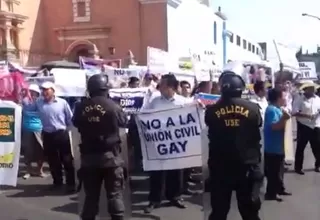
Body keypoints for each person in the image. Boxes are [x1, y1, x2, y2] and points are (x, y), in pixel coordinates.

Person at [205, 71, 263, 220]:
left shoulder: (211, 111)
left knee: (219, 211)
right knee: (250, 212)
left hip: (221, 168)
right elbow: (258, 125)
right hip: (247, 167)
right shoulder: (253, 108)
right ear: (240, 88)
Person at [73, 74, 127, 220]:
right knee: (115, 195)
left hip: (89, 159)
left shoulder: (80, 106)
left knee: (91, 198)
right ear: (105, 89)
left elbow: (76, 123)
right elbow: (124, 122)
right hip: (111, 159)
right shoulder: (113, 106)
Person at [143, 74, 191, 213]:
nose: (160, 87)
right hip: (159, 143)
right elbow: (145, 115)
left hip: (176, 144)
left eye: (163, 85)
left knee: (176, 171)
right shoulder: (154, 100)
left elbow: (192, 116)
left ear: (170, 87)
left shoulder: (183, 102)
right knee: (157, 172)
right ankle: (154, 200)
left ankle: (175, 196)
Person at [35, 81, 76, 193]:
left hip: (61, 134)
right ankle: (57, 182)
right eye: (43, 90)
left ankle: (71, 183)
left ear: (53, 91)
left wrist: (69, 132)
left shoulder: (62, 103)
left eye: (47, 89)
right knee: (52, 160)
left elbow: (70, 119)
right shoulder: (38, 103)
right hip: (47, 134)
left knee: (67, 159)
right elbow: (28, 108)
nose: (44, 92)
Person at [264, 88, 291, 202]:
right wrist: (284, 119)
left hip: (280, 147)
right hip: (273, 148)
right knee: (273, 172)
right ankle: (271, 194)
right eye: (284, 96)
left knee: (279, 170)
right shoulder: (271, 110)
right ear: (278, 98)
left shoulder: (279, 109)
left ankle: (279, 189)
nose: (285, 98)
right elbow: (275, 127)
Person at [292, 81, 320, 174]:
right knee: (301, 147)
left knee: (317, 147)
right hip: (304, 126)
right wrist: (306, 115)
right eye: (311, 88)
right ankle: (298, 168)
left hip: (316, 125)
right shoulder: (299, 99)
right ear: (306, 89)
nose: (313, 89)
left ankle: (318, 165)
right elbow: (294, 112)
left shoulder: (317, 99)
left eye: (313, 88)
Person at [21, 84, 47, 179]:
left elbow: (43, 112)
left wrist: (29, 113)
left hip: (38, 129)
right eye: (30, 91)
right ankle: (28, 171)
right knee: (27, 152)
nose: (31, 93)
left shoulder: (41, 102)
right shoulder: (24, 101)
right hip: (26, 129)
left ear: (37, 93)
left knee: (40, 151)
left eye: (33, 91)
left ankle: (40, 171)